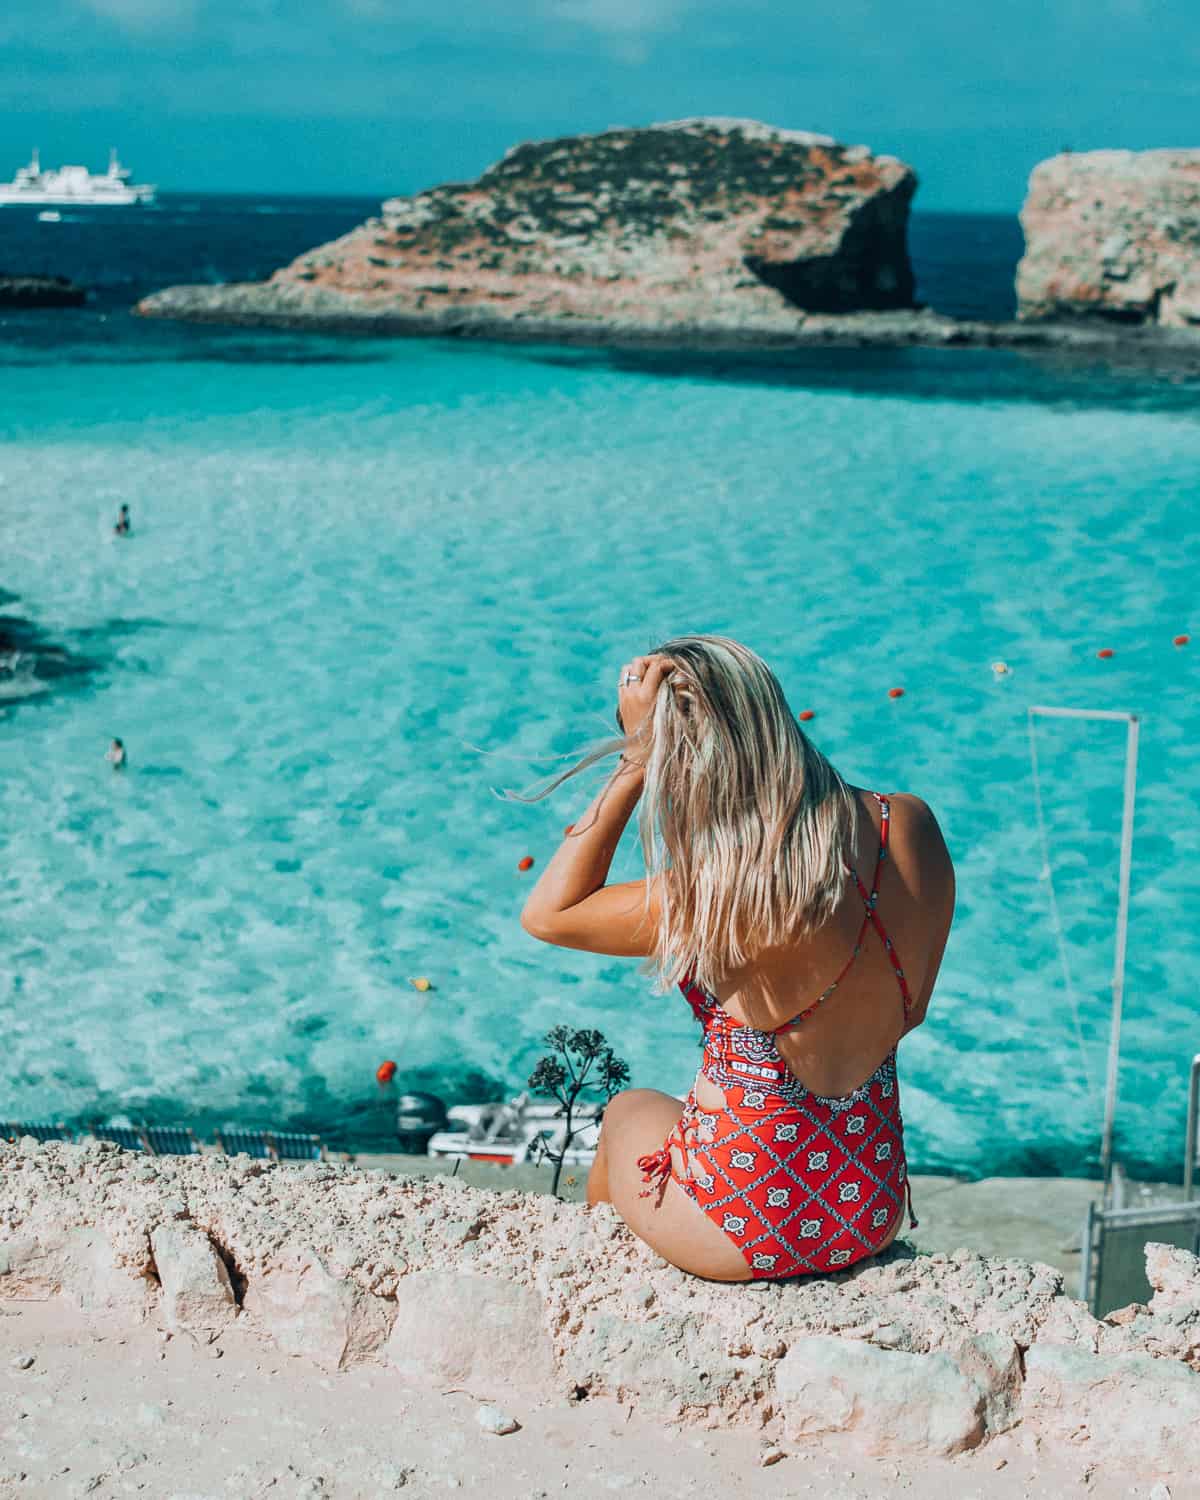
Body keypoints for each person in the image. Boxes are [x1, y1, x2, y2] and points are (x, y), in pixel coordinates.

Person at [518, 636, 955, 1283]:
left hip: (747, 1227)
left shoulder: (724, 895)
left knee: (627, 1109)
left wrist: (635, 764)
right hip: (870, 1205)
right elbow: (909, 1012)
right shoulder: (906, 824)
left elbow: (548, 913)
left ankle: (603, 1292)